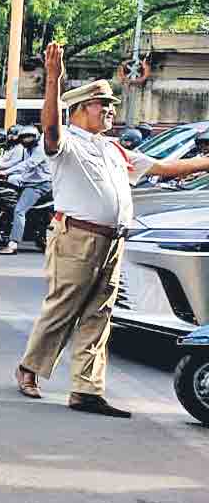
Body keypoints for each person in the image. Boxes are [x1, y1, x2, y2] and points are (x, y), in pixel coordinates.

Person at [15, 43, 209, 418]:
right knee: (63, 309)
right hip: (77, 237)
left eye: (110, 106)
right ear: (80, 110)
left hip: (112, 240)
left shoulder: (114, 149)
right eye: (102, 105)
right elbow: (51, 128)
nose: (109, 111)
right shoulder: (67, 143)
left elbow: (165, 169)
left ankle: (87, 391)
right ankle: (30, 369)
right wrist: (53, 78)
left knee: (99, 316)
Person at [0, 125, 52, 255]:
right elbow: (20, 166)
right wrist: (1, 172)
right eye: (24, 138)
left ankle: (13, 244)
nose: (26, 140)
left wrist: (5, 172)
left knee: (19, 210)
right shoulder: (27, 150)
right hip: (28, 182)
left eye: (29, 137)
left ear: (36, 137)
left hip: (40, 185)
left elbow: (28, 164)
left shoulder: (40, 150)